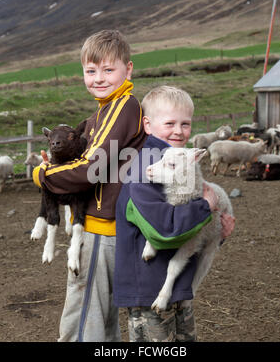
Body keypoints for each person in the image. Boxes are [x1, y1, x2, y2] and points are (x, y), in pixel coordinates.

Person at [32, 30, 147, 342]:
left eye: (108, 70)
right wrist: (53, 164)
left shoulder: (124, 106)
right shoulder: (101, 113)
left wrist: (43, 175)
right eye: (91, 70)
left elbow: (90, 171)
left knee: (83, 319)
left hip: (100, 231)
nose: (99, 78)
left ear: (129, 69)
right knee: (101, 321)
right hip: (101, 228)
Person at [113, 85, 235, 342]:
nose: (179, 131)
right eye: (169, 123)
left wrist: (217, 232)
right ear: (147, 124)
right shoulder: (144, 170)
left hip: (177, 283)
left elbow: (194, 225)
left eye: (185, 123)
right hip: (148, 287)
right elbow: (163, 231)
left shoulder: (181, 161)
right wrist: (206, 207)